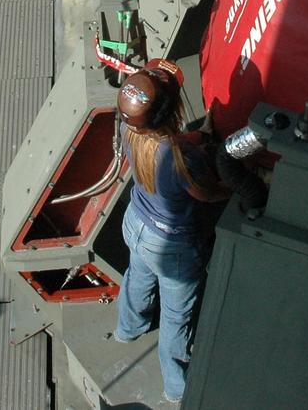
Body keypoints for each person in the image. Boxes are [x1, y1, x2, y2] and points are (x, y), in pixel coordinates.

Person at [113, 61, 227, 404]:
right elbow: (205, 193)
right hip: (172, 248)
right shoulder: (183, 161)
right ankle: (177, 388)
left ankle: (127, 330)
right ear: (173, 109)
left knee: (137, 279)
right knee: (177, 318)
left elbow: (164, 142)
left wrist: (198, 137)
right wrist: (238, 189)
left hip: (136, 225)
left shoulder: (129, 129)